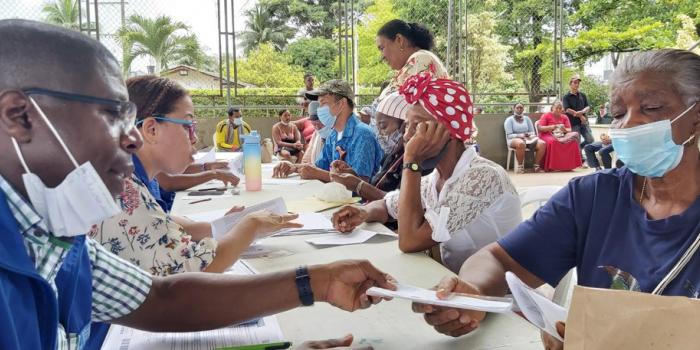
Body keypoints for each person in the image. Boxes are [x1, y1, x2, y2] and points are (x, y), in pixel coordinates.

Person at [0, 19, 394, 350]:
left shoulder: (56, 238)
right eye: (110, 115)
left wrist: (319, 282)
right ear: (18, 116)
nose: (134, 138)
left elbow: (159, 299)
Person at [411, 49, 700, 350]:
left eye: (650, 107)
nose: (627, 125)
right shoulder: (593, 198)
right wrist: (473, 291)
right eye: (617, 114)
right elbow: (498, 259)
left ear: (696, 116)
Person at [90, 75, 299, 277]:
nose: (195, 137)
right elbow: (193, 270)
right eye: (188, 127)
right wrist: (250, 226)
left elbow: (160, 221)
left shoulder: (124, 176)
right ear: (151, 129)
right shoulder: (122, 192)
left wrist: (222, 226)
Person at [332, 74, 522, 273]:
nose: (407, 135)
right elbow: (387, 205)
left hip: (495, 297)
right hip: (453, 284)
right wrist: (363, 213)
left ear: (449, 130)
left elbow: (409, 241)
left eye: (418, 125)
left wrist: (412, 162)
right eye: (407, 126)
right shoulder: (436, 179)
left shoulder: (482, 177)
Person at [273, 80, 383, 182]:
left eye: (323, 103)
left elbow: (361, 182)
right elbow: (319, 167)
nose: (319, 109)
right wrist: (294, 167)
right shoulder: (333, 136)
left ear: (341, 104)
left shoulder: (362, 134)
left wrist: (319, 174)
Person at [329, 92, 422, 202]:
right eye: (377, 128)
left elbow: (398, 204)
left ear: (403, 125)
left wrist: (359, 185)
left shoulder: (418, 161)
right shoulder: (392, 155)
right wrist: (353, 176)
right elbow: (378, 187)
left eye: (383, 126)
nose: (379, 135)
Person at [375, 19, 449, 103]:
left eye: (382, 48)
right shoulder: (413, 63)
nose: (382, 57)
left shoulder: (421, 58)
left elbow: (398, 105)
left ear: (399, 40)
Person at [537, 101, 583, 171]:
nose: (558, 110)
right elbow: (540, 128)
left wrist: (564, 129)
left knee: (573, 141)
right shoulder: (546, 115)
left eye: (560, 108)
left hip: (561, 135)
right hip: (547, 134)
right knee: (553, 141)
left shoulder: (564, 117)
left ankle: (568, 166)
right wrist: (551, 127)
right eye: (556, 108)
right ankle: (552, 167)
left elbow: (569, 129)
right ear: (552, 108)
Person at [504, 103, 546, 173]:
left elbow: (532, 132)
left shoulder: (527, 119)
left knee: (542, 144)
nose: (519, 109)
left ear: (523, 109)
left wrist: (527, 135)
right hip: (514, 139)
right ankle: (520, 167)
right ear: (514, 109)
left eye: (521, 108)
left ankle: (536, 166)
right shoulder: (509, 120)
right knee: (521, 144)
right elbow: (509, 135)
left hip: (527, 138)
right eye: (517, 108)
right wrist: (520, 135)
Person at [563, 74, 594, 155]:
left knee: (590, 139)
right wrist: (580, 115)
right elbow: (567, 109)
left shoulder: (582, 95)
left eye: (578, 83)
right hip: (573, 123)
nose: (577, 84)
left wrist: (582, 112)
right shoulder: (566, 97)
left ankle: (580, 148)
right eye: (575, 82)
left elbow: (587, 107)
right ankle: (580, 159)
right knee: (577, 141)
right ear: (570, 84)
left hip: (584, 122)